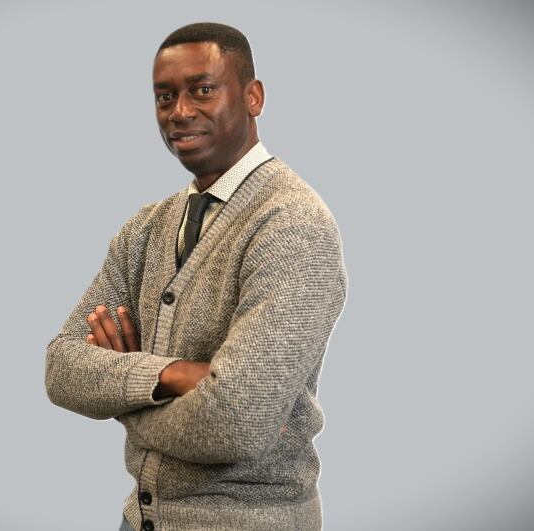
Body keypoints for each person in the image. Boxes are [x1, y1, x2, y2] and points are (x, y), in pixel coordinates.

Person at [44, 22, 348, 531]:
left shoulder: (292, 224)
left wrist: (123, 395)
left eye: (203, 89)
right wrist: (173, 375)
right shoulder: (146, 226)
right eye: (165, 97)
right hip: (141, 520)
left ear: (253, 96)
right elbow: (61, 367)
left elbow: (235, 423)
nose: (180, 112)